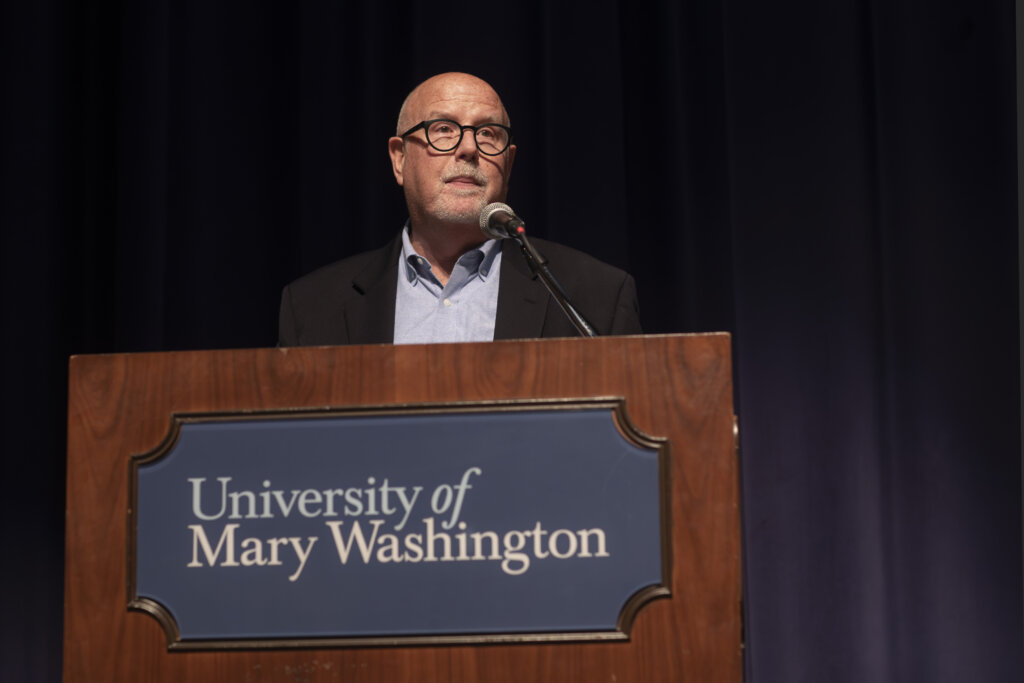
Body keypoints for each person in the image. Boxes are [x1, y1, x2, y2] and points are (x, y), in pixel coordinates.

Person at [278, 72, 641, 346]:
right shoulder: (312, 308)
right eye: (444, 129)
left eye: (488, 133)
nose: (469, 148)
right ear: (399, 159)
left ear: (509, 165)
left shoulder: (596, 297)